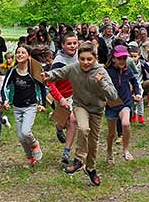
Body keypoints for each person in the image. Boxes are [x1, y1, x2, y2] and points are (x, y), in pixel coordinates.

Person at [42, 42, 118, 186]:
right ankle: (78, 160)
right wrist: (48, 75)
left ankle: (90, 168)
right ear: (78, 58)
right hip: (80, 105)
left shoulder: (101, 72)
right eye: (82, 59)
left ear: (95, 58)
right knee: (83, 128)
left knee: (93, 142)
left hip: (97, 109)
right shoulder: (74, 68)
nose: (85, 62)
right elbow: (59, 73)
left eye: (89, 59)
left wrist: (102, 83)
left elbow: (113, 95)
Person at [1, 45, 47, 167]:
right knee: (21, 138)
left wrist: (42, 104)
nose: (20, 55)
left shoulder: (33, 71)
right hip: (17, 107)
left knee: (26, 132)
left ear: (28, 56)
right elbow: (4, 87)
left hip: (30, 106)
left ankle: (35, 144)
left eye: (23, 53)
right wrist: (5, 100)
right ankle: (30, 158)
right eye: (18, 52)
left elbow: (42, 87)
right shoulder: (12, 71)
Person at [104, 46, 141, 164]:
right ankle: (109, 152)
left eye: (124, 58)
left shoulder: (127, 70)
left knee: (125, 123)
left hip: (125, 102)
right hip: (111, 105)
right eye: (119, 58)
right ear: (113, 58)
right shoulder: (107, 72)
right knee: (111, 133)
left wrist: (138, 93)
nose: (122, 61)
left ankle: (126, 150)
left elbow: (134, 82)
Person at [47, 33, 79, 164]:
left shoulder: (80, 58)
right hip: (61, 95)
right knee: (64, 123)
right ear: (63, 45)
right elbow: (50, 83)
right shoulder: (58, 62)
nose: (72, 46)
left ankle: (66, 151)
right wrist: (60, 99)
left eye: (75, 43)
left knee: (73, 120)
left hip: (76, 95)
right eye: (69, 44)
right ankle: (59, 127)